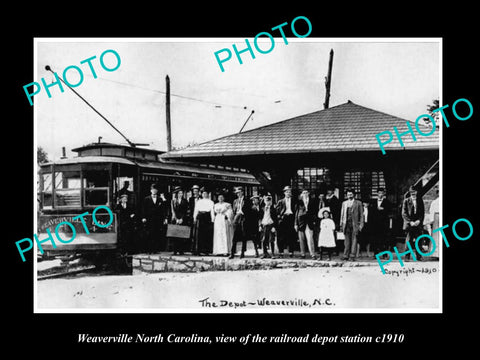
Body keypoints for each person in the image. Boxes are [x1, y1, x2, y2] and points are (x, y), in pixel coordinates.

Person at [141, 183, 168, 252]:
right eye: (153, 190)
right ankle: (149, 249)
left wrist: (165, 218)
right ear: (151, 190)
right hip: (149, 219)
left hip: (158, 219)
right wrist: (144, 217)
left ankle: (156, 249)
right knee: (149, 234)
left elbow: (163, 209)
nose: (154, 191)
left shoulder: (160, 199)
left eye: (155, 190)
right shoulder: (146, 199)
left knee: (157, 233)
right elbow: (144, 209)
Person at [340, 189, 364, 261]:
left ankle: (352, 255)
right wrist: (341, 224)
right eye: (348, 194)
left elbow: (361, 215)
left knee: (354, 240)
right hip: (346, 223)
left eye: (351, 194)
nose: (349, 196)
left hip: (355, 224)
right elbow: (342, 214)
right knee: (346, 240)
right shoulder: (344, 203)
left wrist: (361, 225)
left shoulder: (358, 203)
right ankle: (345, 255)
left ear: (354, 195)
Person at [402, 185, 425, 261]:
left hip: (417, 223)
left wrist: (419, 220)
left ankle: (419, 256)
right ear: (410, 193)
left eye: (414, 192)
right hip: (410, 224)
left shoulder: (420, 200)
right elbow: (404, 213)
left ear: (417, 192)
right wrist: (410, 221)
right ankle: (407, 257)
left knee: (419, 239)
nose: (413, 194)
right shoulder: (406, 201)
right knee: (409, 240)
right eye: (412, 192)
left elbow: (422, 212)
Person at [369, 188, 392, 258]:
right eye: (379, 193)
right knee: (375, 239)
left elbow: (389, 211)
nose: (380, 194)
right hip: (375, 224)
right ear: (377, 194)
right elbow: (371, 212)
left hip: (384, 224)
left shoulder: (387, 202)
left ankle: (385, 254)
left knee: (384, 239)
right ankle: (375, 254)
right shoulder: (373, 202)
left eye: (382, 193)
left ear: (384, 194)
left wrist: (383, 209)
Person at [276, 185, 297, 258]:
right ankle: (281, 252)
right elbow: (277, 211)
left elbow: (296, 210)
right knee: (281, 236)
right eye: (287, 192)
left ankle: (291, 252)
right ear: (284, 193)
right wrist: (280, 217)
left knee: (291, 236)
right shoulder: (281, 201)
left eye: (289, 192)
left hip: (291, 218)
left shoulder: (294, 200)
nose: (288, 193)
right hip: (283, 219)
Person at [230, 187, 251, 259]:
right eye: (237, 193)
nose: (238, 194)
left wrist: (243, 214)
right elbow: (234, 210)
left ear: (242, 192)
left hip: (243, 217)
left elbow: (249, 211)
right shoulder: (235, 201)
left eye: (239, 192)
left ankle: (242, 252)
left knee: (243, 235)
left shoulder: (247, 200)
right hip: (236, 218)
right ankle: (232, 253)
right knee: (235, 236)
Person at [295, 189, 317, 259]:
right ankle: (303, 254)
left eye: (306, 192)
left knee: (310, 238)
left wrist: (314, 221)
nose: (305, 194)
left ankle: (312, 254)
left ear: (308, 193)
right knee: (301, 239)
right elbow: (296, 213)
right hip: (301, 222)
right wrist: (295, 224)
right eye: (303, 193)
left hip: (309, 222)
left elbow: (315, 212)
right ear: (301, 194)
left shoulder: (313, 201)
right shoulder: (299, 202)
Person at [193, 187, 215, 255]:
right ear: (202, 194)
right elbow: (196, 210)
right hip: (200, 217)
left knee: (207, 234)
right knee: (199, 234)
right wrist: (194, 218)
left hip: (207, 217)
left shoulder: (211, 202)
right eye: (203, 193)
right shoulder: (199, 201)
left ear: (208, 194)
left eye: (206, 194)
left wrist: (212, 219)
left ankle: (206, 250)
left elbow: (212, 211)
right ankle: (198, 250)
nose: (205, 195)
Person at [170, 186, 189, 255]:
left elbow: (186, 211)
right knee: (175, 235)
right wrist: (176, 219)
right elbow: (172, 211)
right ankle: (175, 250)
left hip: (182, 219)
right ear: (177, 194)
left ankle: (181, 250)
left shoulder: (185, 201)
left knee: (181, 235)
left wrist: (182, 219)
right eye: (179, 193)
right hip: (175, 219)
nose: (180, 194)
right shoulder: (173, 201)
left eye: (181, 193)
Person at [259, 194, 278, 259]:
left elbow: (276, 219)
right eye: (267, 201)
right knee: (264, 240)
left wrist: (274, 227)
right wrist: (260, 225)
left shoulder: (273, 209)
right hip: (264, 225)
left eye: (269, 201)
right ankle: (265, 253)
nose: (268, 202)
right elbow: (260, 218)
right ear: (264, 201)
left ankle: (272, 254)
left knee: (271, 240)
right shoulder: (262, 209)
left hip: (271, 226)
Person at [188, 185, 201, 253]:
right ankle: (192, 249)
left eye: (196, 191)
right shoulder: (191, 199)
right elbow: (190, 208)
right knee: (192, 233)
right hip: (192, 217)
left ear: (199, 192)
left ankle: (198, 248)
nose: (195, 192)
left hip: (200, 218)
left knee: (198, 233)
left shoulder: (201, 199)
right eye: (194, 191)